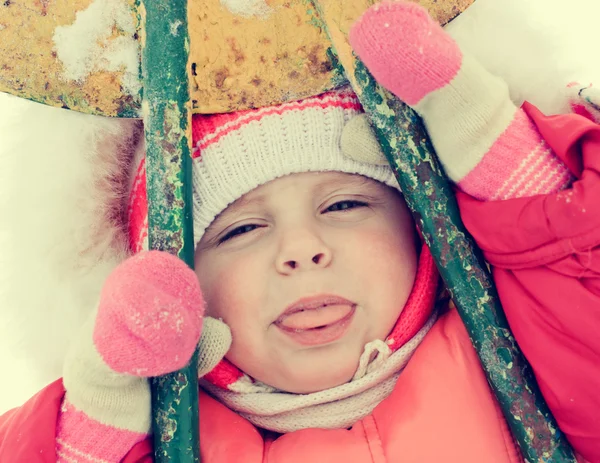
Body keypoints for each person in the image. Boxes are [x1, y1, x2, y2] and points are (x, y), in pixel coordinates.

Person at [1, 2, 599, 462]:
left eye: (343, 205)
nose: (301, 251)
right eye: (240, 230)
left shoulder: (519, 361)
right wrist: (106, 394)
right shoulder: (177, 440)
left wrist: (480, 128)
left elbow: (577, 282)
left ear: (420, 230)